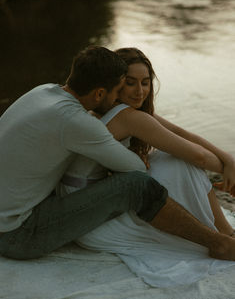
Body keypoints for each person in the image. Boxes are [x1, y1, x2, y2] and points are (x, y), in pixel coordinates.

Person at [58, 47, 235, 286]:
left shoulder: (108, 108)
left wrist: (229, 159)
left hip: (87, 203)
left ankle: (224, 234)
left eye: (145, 82)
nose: (139, 91)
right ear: (116, 82)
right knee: (182, 161)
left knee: (172, 158)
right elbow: (200, 158)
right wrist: (225, 168)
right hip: (95, 218)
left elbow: (180, 133)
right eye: (130, 83)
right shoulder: (128, 117)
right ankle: (225, 236)